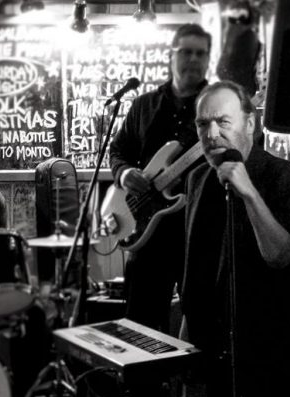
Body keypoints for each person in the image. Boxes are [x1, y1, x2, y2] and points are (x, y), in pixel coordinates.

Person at [181, 80, 290, 397]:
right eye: (203, 124)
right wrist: (188, 330)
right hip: (217, 356)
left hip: (269, 358)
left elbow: (284, 256)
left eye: (223, 121)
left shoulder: (284, 177)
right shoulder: (198, 179)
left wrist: (248, 192)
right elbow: (196, 264)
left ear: (250, 124)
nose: (212, 133)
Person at [109, 23, 211, 335]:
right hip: (146, 230)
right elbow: (118, 150)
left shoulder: (218, 107)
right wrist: (125, 174)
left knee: (203, 320)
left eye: (200, 53)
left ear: (208, 58)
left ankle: (193, 384)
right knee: (139, 323)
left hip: (198, 231)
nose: (193, 59)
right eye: (186, 52)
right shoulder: (144, 104)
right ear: (171, 55)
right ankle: (144, 384)